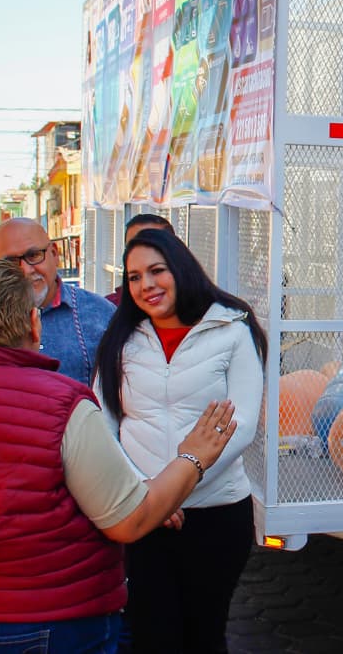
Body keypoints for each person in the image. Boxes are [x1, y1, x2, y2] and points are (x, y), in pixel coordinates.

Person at [0, 259, 237, 654]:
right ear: (33, 323)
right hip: (43, 621)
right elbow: (130, 521)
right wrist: (193, 458)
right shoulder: (60, 405)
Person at [94, 228, 266, 654]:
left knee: (204, 635)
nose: (146, 286)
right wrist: (147, 491)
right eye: (134, 277)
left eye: (157, 271)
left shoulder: (230, 328)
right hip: (144, 516)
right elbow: (102, 424)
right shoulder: (121, 340)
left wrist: (176, 485)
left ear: (181, 269)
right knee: (153, 635)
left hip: (217, 513)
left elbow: (240, 426)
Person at [0, 218, 114, 386]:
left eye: (33, 255)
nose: (25, 270)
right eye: (10, 263)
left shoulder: (100, 314)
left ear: (55, 254)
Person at [105, 213, 174, 306]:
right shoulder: (108, 309)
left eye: (152, 246)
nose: (147, 285)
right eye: (133, 246)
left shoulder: (197, 307)